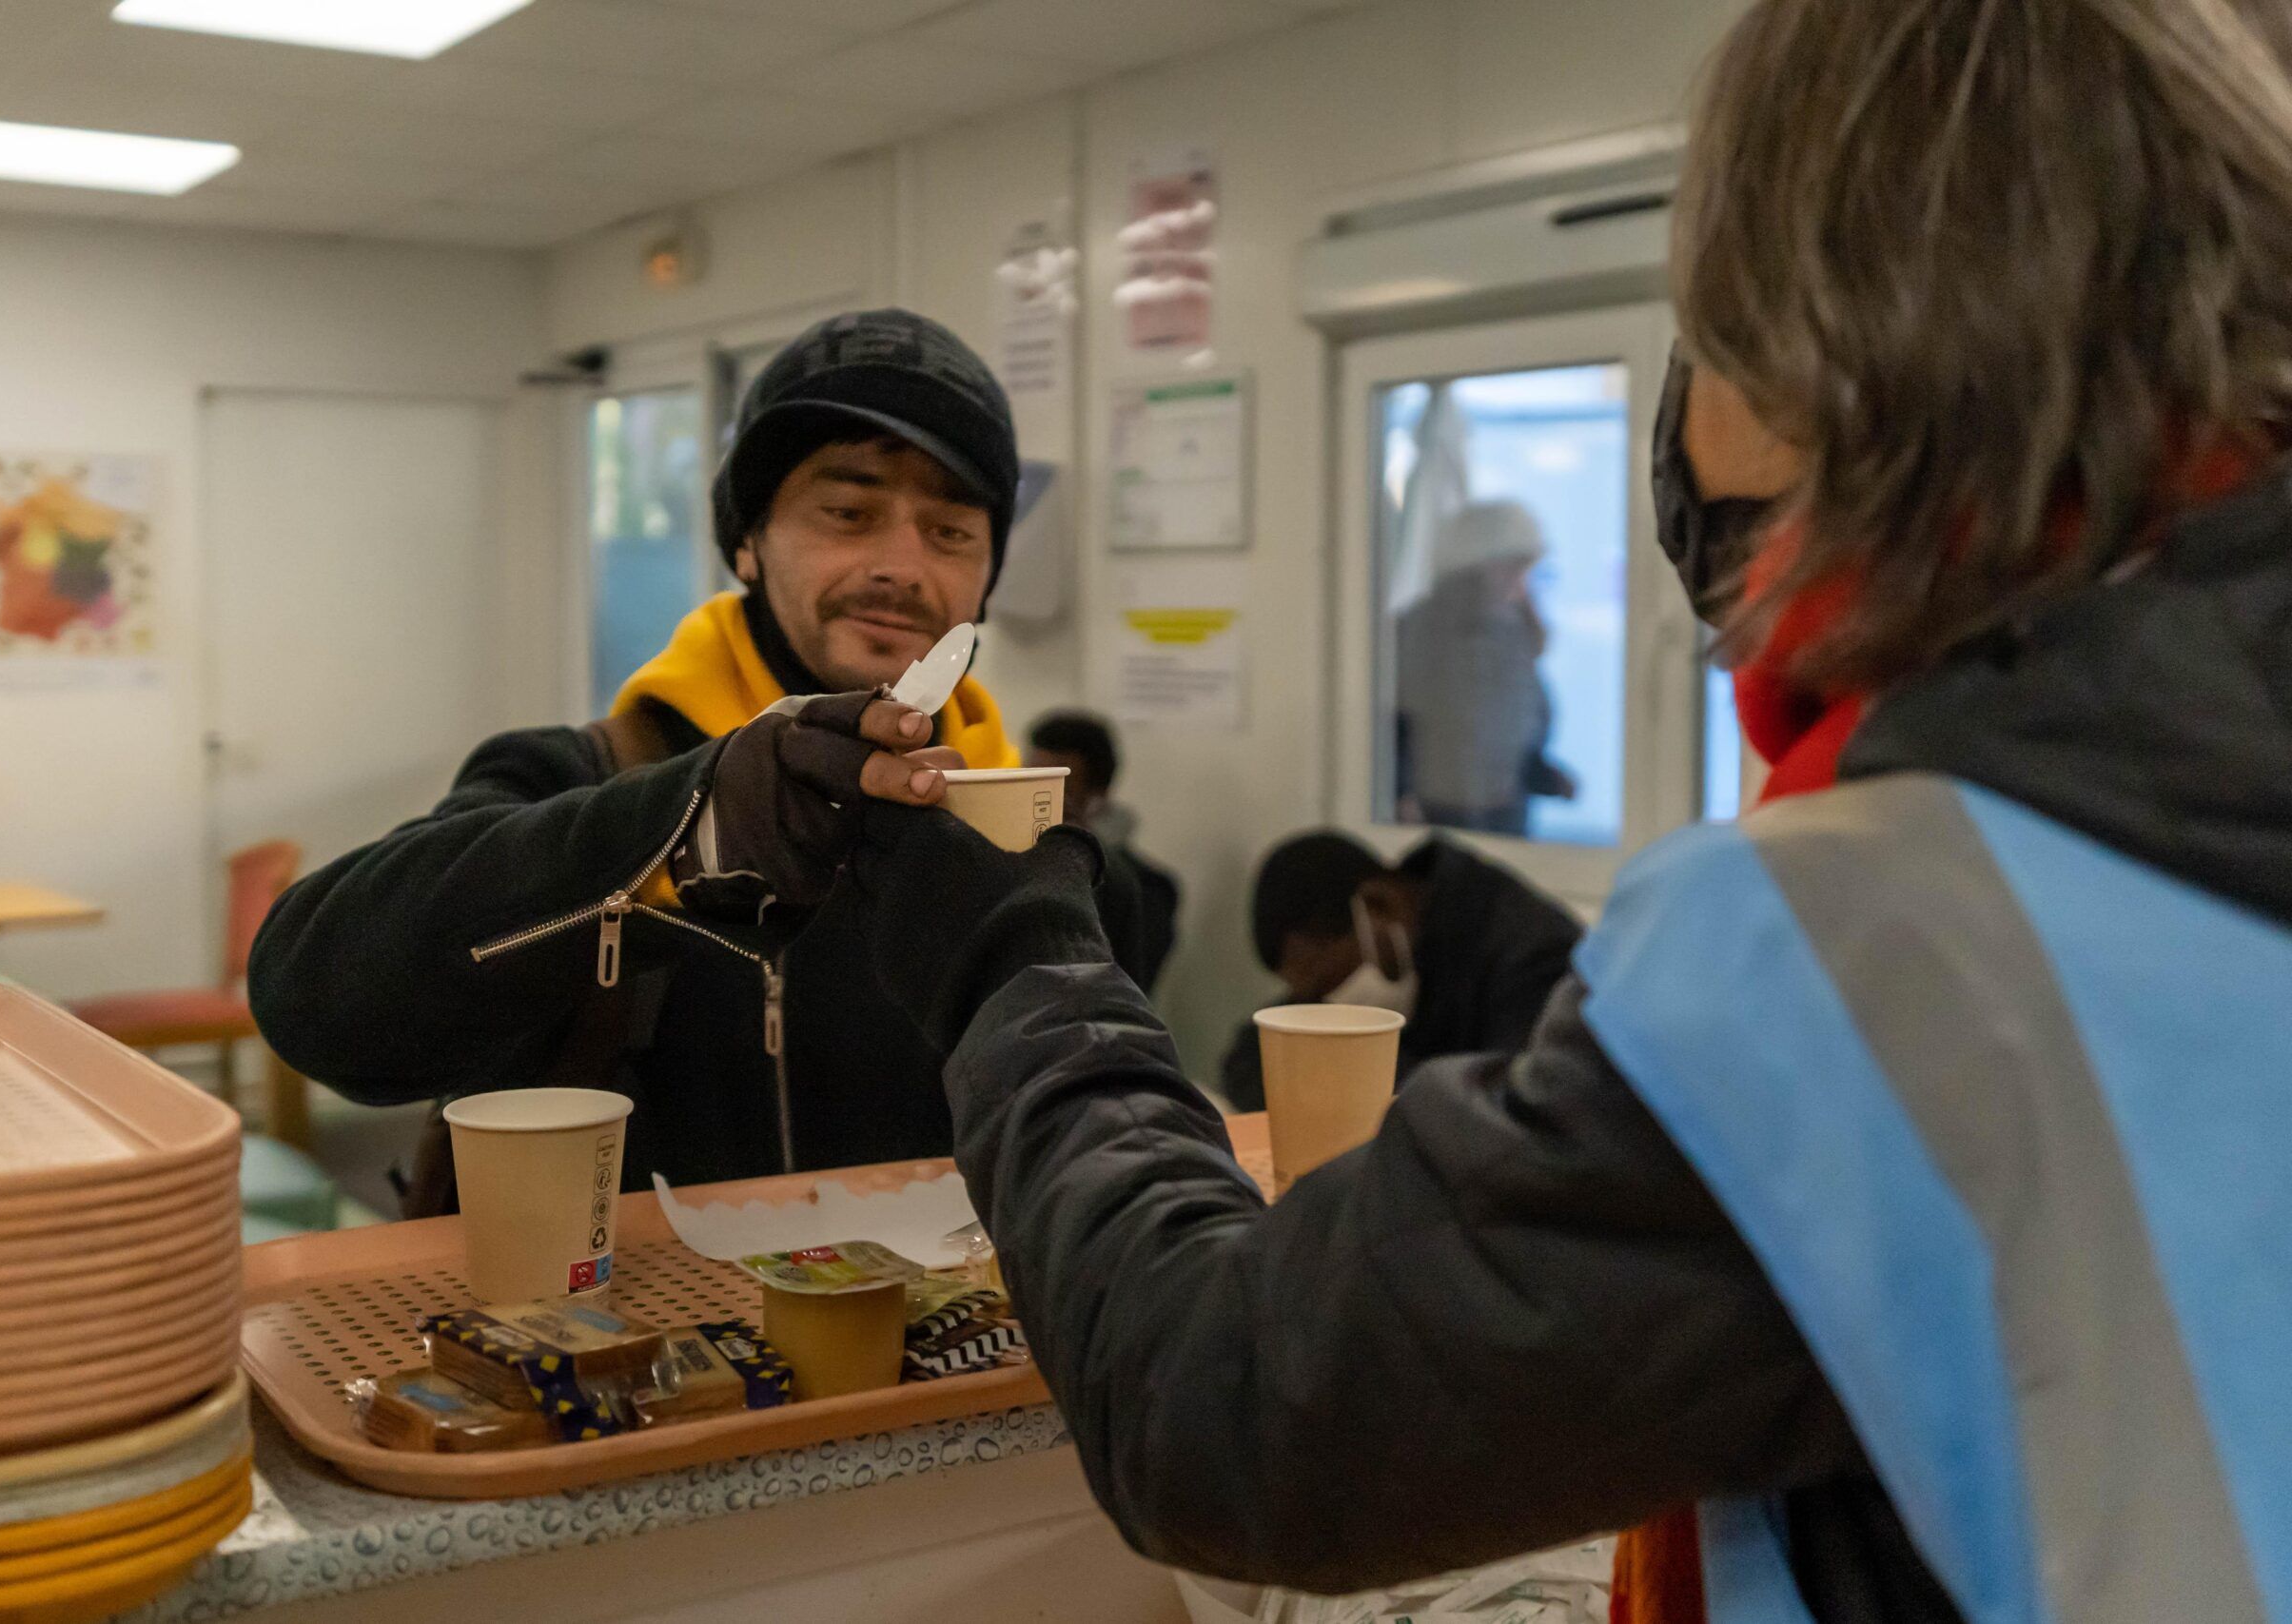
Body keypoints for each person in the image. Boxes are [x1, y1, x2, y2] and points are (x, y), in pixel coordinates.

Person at [832, 1, 2292, 1616]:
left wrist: (1020, 952)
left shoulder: (1869, 935)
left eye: (1705, 322)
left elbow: (1237, 1412)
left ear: (1827, 342)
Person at [249, 308, 1027, 1192]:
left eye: (951, 531)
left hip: (957, 1327)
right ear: (747, 541)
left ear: (988, 576)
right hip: (631, 1321)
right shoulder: (579, 777)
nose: (901, 564)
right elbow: (316, 1001)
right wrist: (673, 835)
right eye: (847, 511)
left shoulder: (1031, 830)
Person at [1217, 830, 1578, 1110]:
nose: (1333, 1003)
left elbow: (1502, 1110)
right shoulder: (1400, 936)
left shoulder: (1532, 956)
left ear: (1380, 906)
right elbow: (1251, 1057)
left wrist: (1341, 1076)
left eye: (1332, 983)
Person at [1393, 502, 1577, 833]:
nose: (1518, 583)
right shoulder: (1428, 628)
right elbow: (1409, 718)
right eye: (1512, 568)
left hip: (1503, 808)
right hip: (1442, 814)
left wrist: (1540, 773)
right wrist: (1401, 790)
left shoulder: (1510, 627)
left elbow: (1514, 720)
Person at [1027, 710, 1181, 994]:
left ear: (1098, 796)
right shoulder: (1014, 870)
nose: (1041, 804)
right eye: (1031, 784)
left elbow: (1131, 987)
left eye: (1061, 791)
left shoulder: (1146, 889)